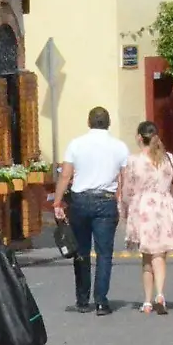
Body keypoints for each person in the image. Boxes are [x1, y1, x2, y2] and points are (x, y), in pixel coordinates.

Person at [53, 106, 129, 315]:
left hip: (80, 201)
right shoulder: (120, 147)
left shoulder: (76, 144)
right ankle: (102, 302)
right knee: (104, 254)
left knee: (82, 251)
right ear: (109, 123)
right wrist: (120, 198)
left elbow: (66, 175)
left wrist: (57, 202)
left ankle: (82, 299)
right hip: (106, 201)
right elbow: (125, 178)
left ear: (89, 122)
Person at [118, 121, 173, 315]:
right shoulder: (168, 158)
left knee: (147, 257)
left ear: (140, 137)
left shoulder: (133, 160)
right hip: (164, 207)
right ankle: (160, 294)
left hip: (142, 209)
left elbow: (126, 191)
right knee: (160, 254)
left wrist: (124, 213)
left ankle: (147, 301)